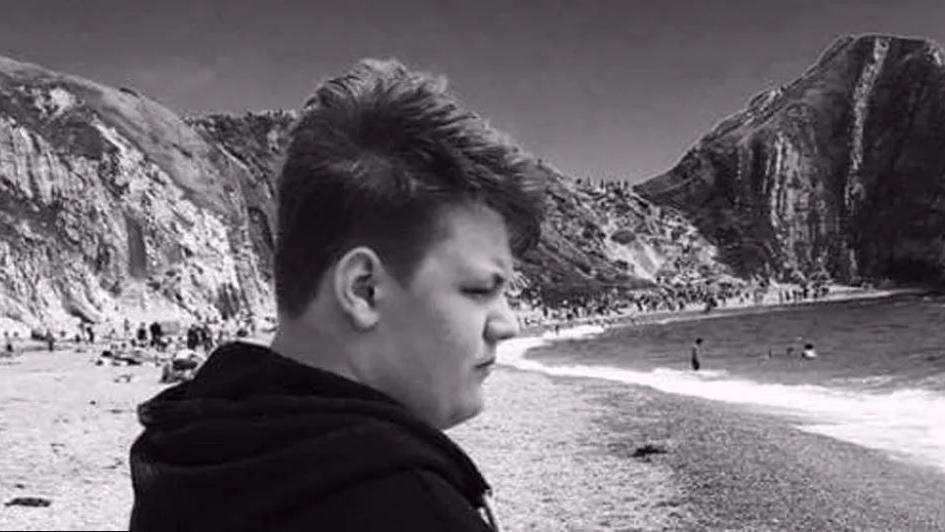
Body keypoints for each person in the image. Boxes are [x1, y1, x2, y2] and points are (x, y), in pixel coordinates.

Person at [128, 58, 546, 531]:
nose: (508, 323)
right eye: (478, 290)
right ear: (363, 290)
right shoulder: (410, 508)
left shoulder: (191, 451)